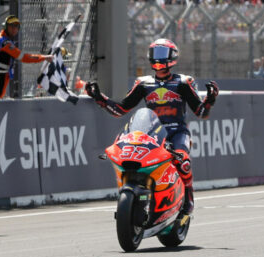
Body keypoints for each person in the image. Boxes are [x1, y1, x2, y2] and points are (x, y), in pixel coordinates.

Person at [85, 38, 219, 216]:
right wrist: (100, 98)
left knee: (183, 161)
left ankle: (189, 196)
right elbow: (120, 110)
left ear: (172, 57)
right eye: (155, 54)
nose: (158, 59)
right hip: (153, 133)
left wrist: (210, 100)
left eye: (162, 54)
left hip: (177, 132)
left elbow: (201, 112)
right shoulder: (142, 83)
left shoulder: (184, 82)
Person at [0, 15, 49, 99]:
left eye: (16, 26)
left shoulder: (5, 38)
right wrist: (44, 57)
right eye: (11, 26)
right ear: (6, 27)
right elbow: (24, 57)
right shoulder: (5, 42)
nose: (14, 29)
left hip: (1, 76)